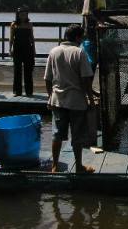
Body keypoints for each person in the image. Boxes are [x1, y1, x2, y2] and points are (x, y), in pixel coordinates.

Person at [44, 24, 96, 173]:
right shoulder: (79, 52)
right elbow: (86, 80)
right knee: (77, 135)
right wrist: (91, 101)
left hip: (57, 100)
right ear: (78, 38)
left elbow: (47, 79)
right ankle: (79, 166)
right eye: (82, 37)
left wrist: (49, 97)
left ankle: (54, 166)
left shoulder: (54, 51)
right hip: (76, 101)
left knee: (57, 135)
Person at [81, 0, 116, 70]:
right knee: (90, 63)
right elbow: (88, 14)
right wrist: (99, 23)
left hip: (100, 34)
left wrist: (117, 22)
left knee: (99, 61)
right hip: (90, 34)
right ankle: (87, 85)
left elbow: (103, 15)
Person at [9, 6, 35, 97]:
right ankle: (17, 91)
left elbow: (32, 38)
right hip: (17, 48)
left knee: (28, 70)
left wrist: (34, 49)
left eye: (25, 14)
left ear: (27, 15)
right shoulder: (13, 24)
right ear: (18, 15)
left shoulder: (30, 24)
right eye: (21, 14)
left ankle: (29, 91)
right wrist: (10, 49)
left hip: (28, 48)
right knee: (17, 70)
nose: (23, 15)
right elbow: (11, 38)